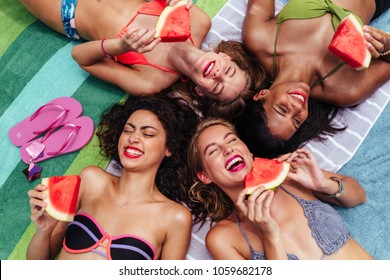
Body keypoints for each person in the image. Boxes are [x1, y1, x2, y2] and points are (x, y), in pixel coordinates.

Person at [26, 93, 200, 260]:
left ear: (169, 148)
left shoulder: (175, 218)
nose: (133, 138)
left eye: (147, 134)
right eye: (127, 130)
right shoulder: (91, 180)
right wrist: (44, 230)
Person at [19, 0, 264, 109]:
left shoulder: (150, 82)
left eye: (217, 86)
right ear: (226, 57)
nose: (218, 74)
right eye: (228, 71)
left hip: (66, 8)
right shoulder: (199, 22)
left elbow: (80, 57)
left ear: (201, 90)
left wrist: (120, 47)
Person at [187, 118, 373, 260]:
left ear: (248, 152)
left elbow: (360, 196)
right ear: (205, 176)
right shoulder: (222, 238)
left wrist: (324, 185)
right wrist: (269, 234)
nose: (228, 150)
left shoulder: (291, 175)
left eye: (232, 140)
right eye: (213, 151)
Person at [234, 0, 390, 155]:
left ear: (262, 95)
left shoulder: (258, 41)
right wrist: (385, 45)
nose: (297, 107)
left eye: (282, 109)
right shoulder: (346, 91)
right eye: (296, 120)